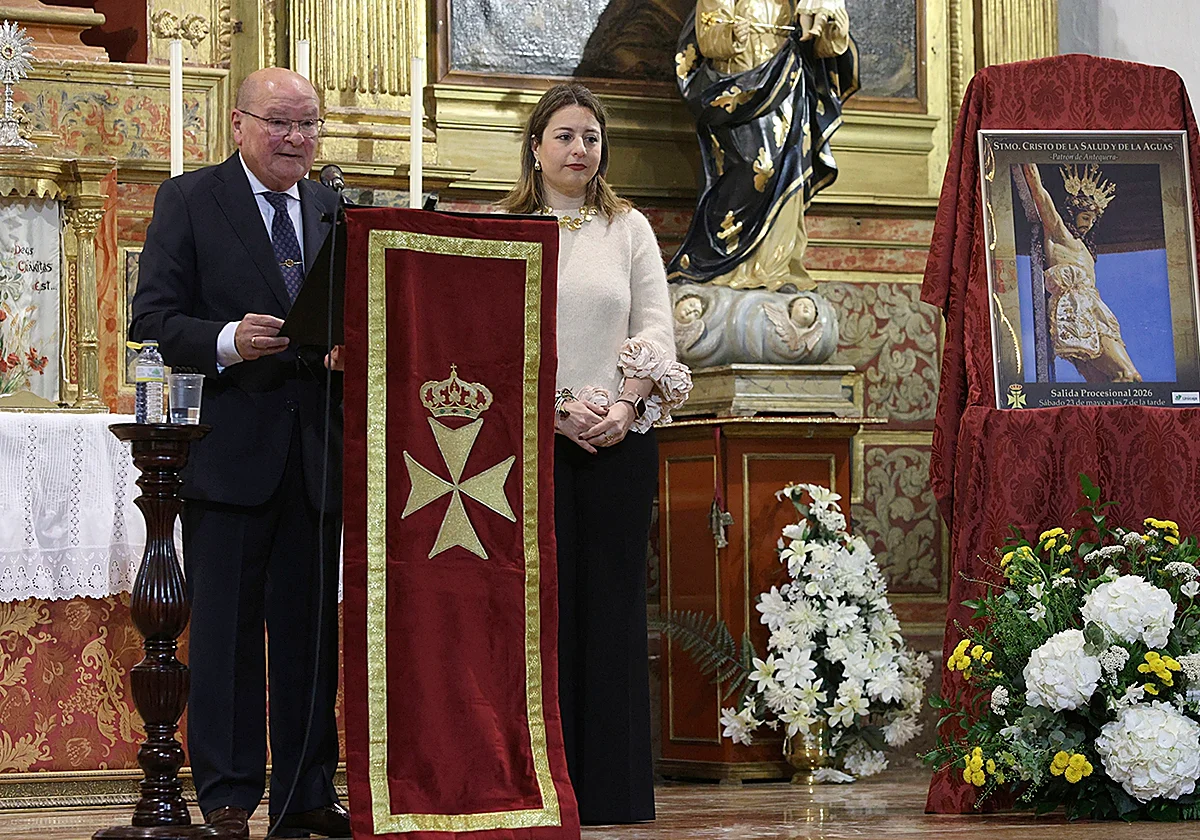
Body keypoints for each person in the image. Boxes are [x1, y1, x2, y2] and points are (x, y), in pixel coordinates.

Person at [130, 68, 349, 840]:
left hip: (318, 452)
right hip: (229, 449)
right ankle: (227, 795)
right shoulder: (190, 200)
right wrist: (227, 341)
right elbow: (153, 316)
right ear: (238, 123)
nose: (297, 139)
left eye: (309, 124)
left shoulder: (331, 208)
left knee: (308, 636)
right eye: (281, 123)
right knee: (223, 636)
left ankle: (307, 791)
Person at [500, 82, 691, 825]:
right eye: (566, 136)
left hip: (619, 440)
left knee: (611, 612)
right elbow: (493, 338)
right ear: (536, 147)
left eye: (591, 137)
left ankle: (610, 789)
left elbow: (657, 327)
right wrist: (554, 410)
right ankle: (537, 783)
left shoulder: (629, 227)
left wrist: (626, 401)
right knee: (541, 612)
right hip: (530, 444)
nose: (581, 150)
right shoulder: (507, 228)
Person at [667, 0, 857, 291]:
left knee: (790, 173)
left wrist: (834, 32)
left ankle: (778, 266)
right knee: (752, 168)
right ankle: (729, 265)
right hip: (739, 91)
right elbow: (707, 35)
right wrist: (731, 35)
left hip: (788, 88)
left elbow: (819, 48)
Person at [1021, 163, 1142, 383]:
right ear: (1072, 213)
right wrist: (1025, 157)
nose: (1089, 224)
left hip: (1093, 311)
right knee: (1128, 375)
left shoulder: (1085, 250)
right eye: (1085, 217)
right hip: (1075, 311)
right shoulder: (1060, 234)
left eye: (1093, 220)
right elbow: (1039, 192)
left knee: (1109, 383)